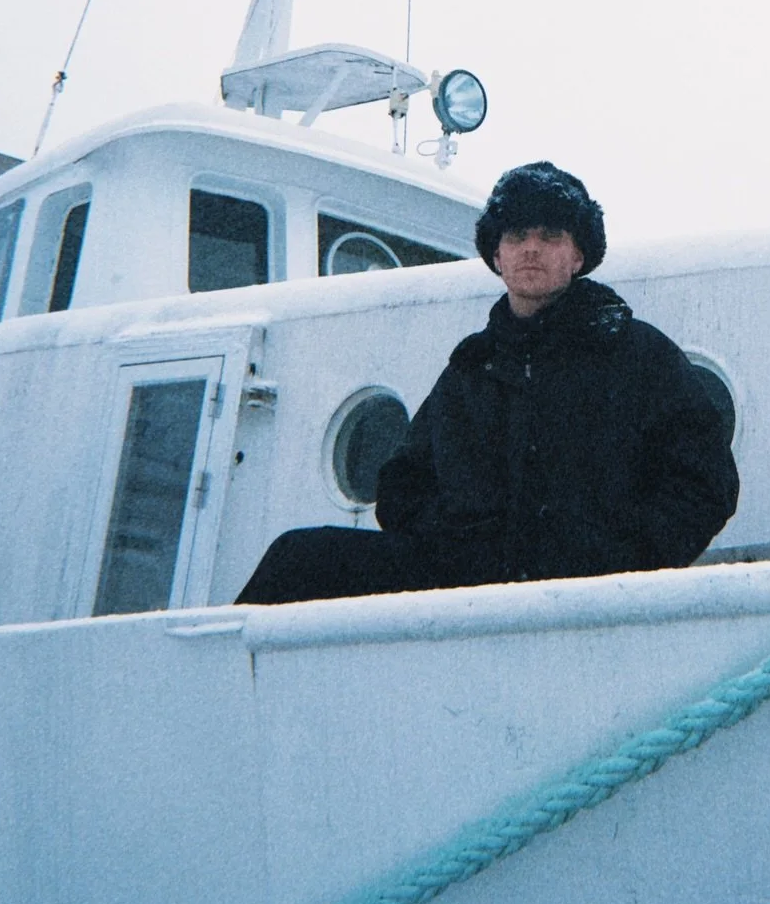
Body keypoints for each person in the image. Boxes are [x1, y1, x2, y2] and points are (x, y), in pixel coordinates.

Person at [237, 162, 739, 603]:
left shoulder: (637, 355)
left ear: (578, 256)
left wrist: (620, 560)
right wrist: (458, 540)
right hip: (470, 587)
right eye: (517, 236)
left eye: (550, 235)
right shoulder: (473, 369)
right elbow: (403, 486)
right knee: (298, 559)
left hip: (588, 595)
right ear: (497, 256)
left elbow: (705, 483)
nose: (532, 249)